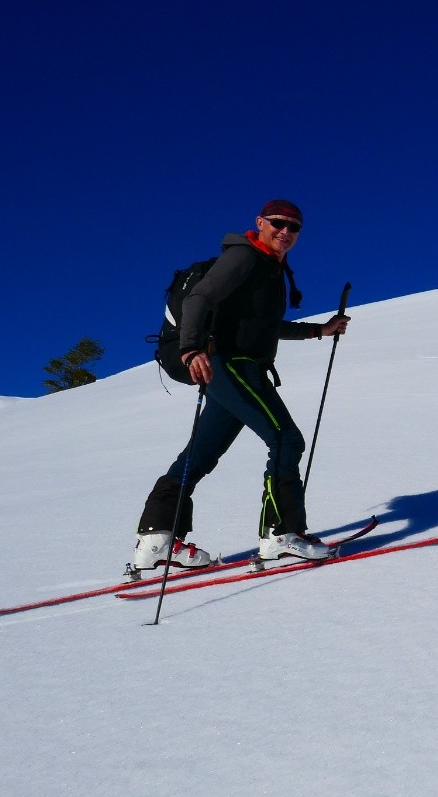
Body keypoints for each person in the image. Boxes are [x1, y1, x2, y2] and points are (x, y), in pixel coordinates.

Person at [131, 200, 350, 571]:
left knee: (198, 456)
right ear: (260, 222)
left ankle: (156, 539)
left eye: (294, 227)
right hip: (228, 364)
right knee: (284, 438)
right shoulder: (246, 257)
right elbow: (200, 298)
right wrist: (190, 350)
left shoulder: (268, 269)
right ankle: (281, 535)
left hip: (235, 366)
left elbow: (263, 327)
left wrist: (318, 331)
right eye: (278, 223)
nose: (286, 231)